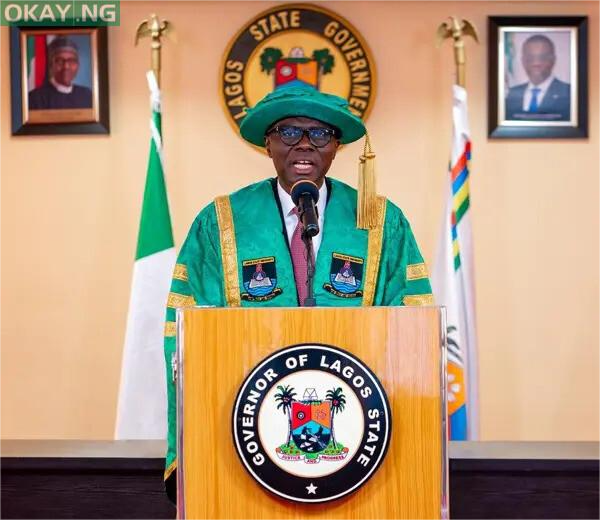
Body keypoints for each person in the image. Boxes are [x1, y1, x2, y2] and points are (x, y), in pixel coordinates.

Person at [161, 85, 433, 502]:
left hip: (360, 431)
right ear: (267, 143)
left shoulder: (381, 221)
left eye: (319, 133)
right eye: (288, 132)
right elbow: (188, 334)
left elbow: (414, 329)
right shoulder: (222, 222)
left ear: (337, 146)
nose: (304, 144)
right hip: (244, 429)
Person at [505, 34, 570, 121]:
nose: (536, 63)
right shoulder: (512, 93)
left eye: (542, 57)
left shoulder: (569, 92)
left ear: (553, 60)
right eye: (530, 58)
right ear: (523, 61)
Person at [28, 37, 93, 110]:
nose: (66, 66)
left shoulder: (87, 95)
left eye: (71, 61)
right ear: (51, 65)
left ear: (78, 65)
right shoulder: (34, 99)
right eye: (59, 61)